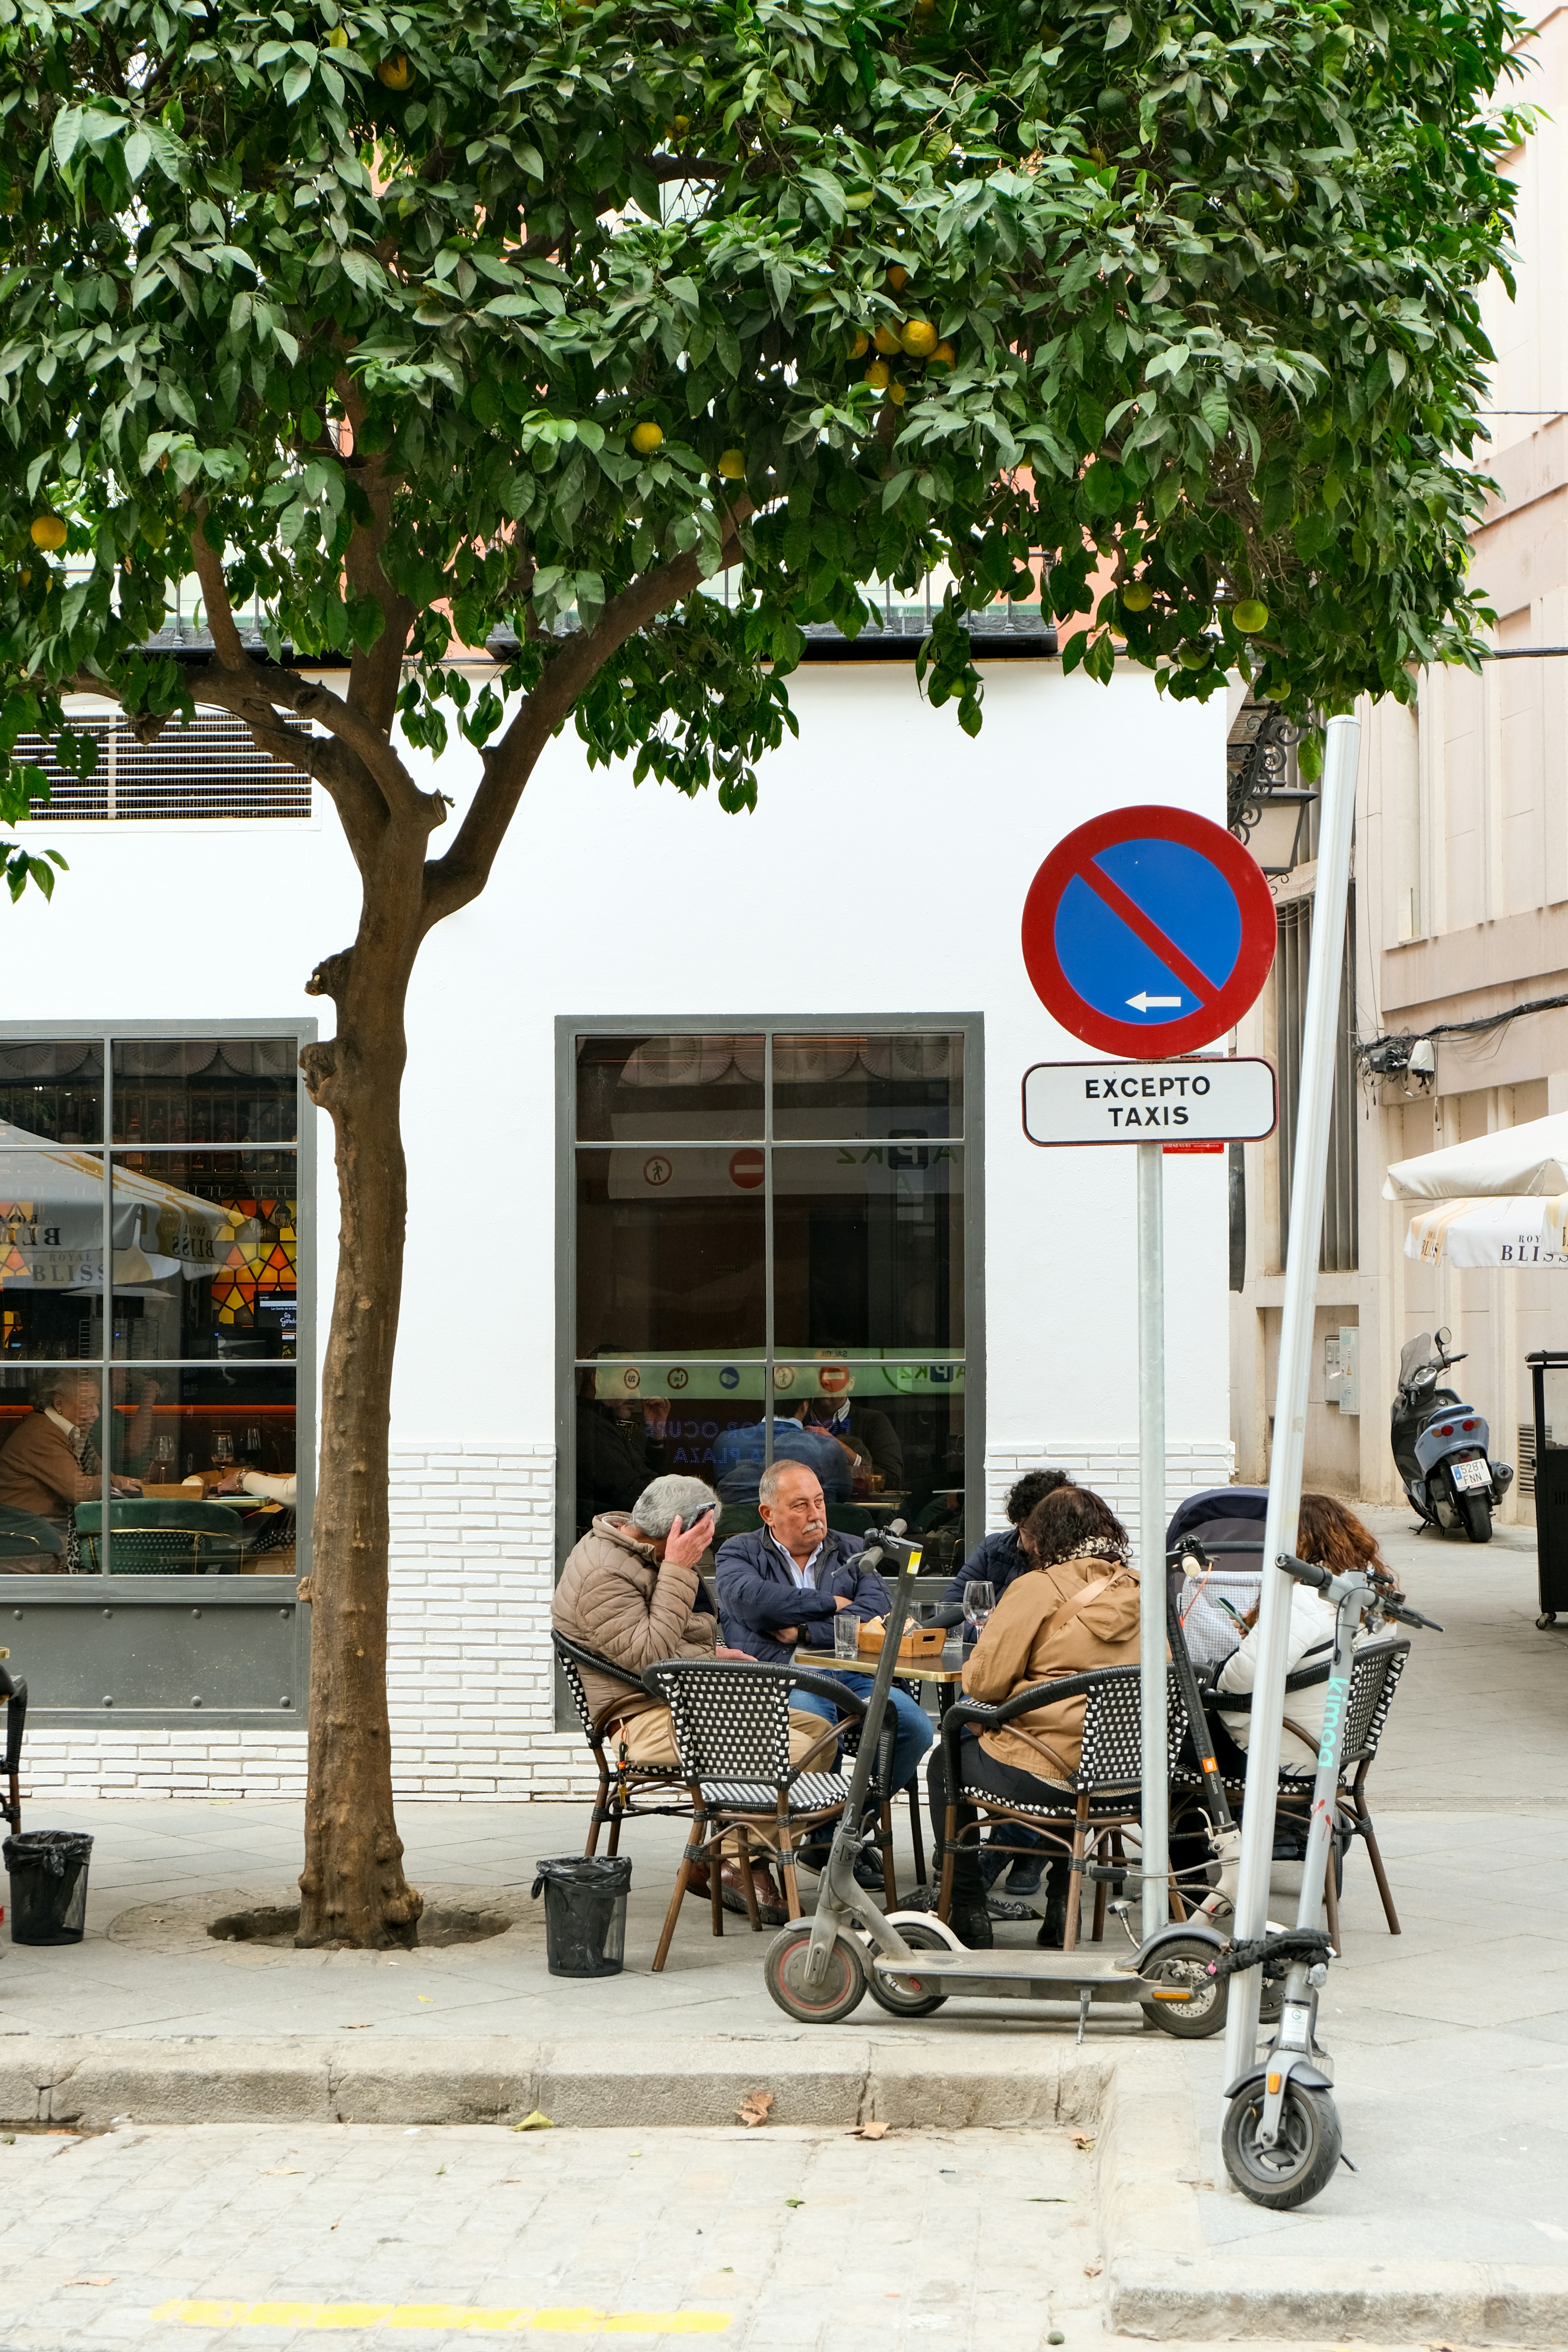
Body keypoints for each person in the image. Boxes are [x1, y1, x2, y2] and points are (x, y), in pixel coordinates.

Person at [552, 1472, 808, 1924]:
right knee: (799, 1751)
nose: (708, 1546)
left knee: (818, 1730)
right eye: (705, 1534)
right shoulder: (604, 1571)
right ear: (684, 1528)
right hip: (641, 1720)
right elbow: (649, 1656)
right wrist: (677, 1567)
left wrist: (712, 1654)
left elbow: (654, 1642)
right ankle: (735, 1860)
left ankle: (723, 1856)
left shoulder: (637, 1552)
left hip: (674, 1700)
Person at [926, 1484, 1141, 1950]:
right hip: (1133, 1780)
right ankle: (1065, 1904)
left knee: (947, 1760)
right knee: (1069, 1751)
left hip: (1051, 1774)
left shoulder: (1037, 1587)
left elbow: (982, 1684)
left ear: (1041, 1539)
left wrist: (1013, 1696)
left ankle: (965, 1908)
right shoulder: (1144, 1591)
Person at [715, 1459, 934, 1887]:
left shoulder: (854, 1549)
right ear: (768, 1513)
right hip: (781, 1675)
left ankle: (839, 1829)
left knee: (913, 1727)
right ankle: (820, 1836)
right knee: (818, 1726)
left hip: (851, 1671)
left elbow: (875, 1610)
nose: (816, 1514)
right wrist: (832, 1604)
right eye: (800, 1505)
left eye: (819, 1501)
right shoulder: (738, 1551)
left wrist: (799, 1627)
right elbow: (751, 1602)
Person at [1216, 1494, 1390, 1775]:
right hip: (1334, 1744)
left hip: (1283, 1750)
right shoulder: (1375, 1599)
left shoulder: (1303, 1599)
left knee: (1173, 1742)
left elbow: (1238, 1682)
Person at [0, 1366, 140, 1557]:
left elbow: (101, 1474)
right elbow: (80, 1490)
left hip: (49, 1534)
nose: (96, 1413)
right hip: (31, 1542)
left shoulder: (70, 1433)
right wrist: (115, 1482)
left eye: (97, 1404)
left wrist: (118, 1482)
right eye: (88, 1404)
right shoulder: (41, 1434)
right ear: (59, 1404)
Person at [712, 1401, 851, 1508]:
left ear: (765, 1403)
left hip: (737, 1533)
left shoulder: (726, 1442)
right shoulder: (828, 1447)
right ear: (805, 1405)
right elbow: (843, 1496)